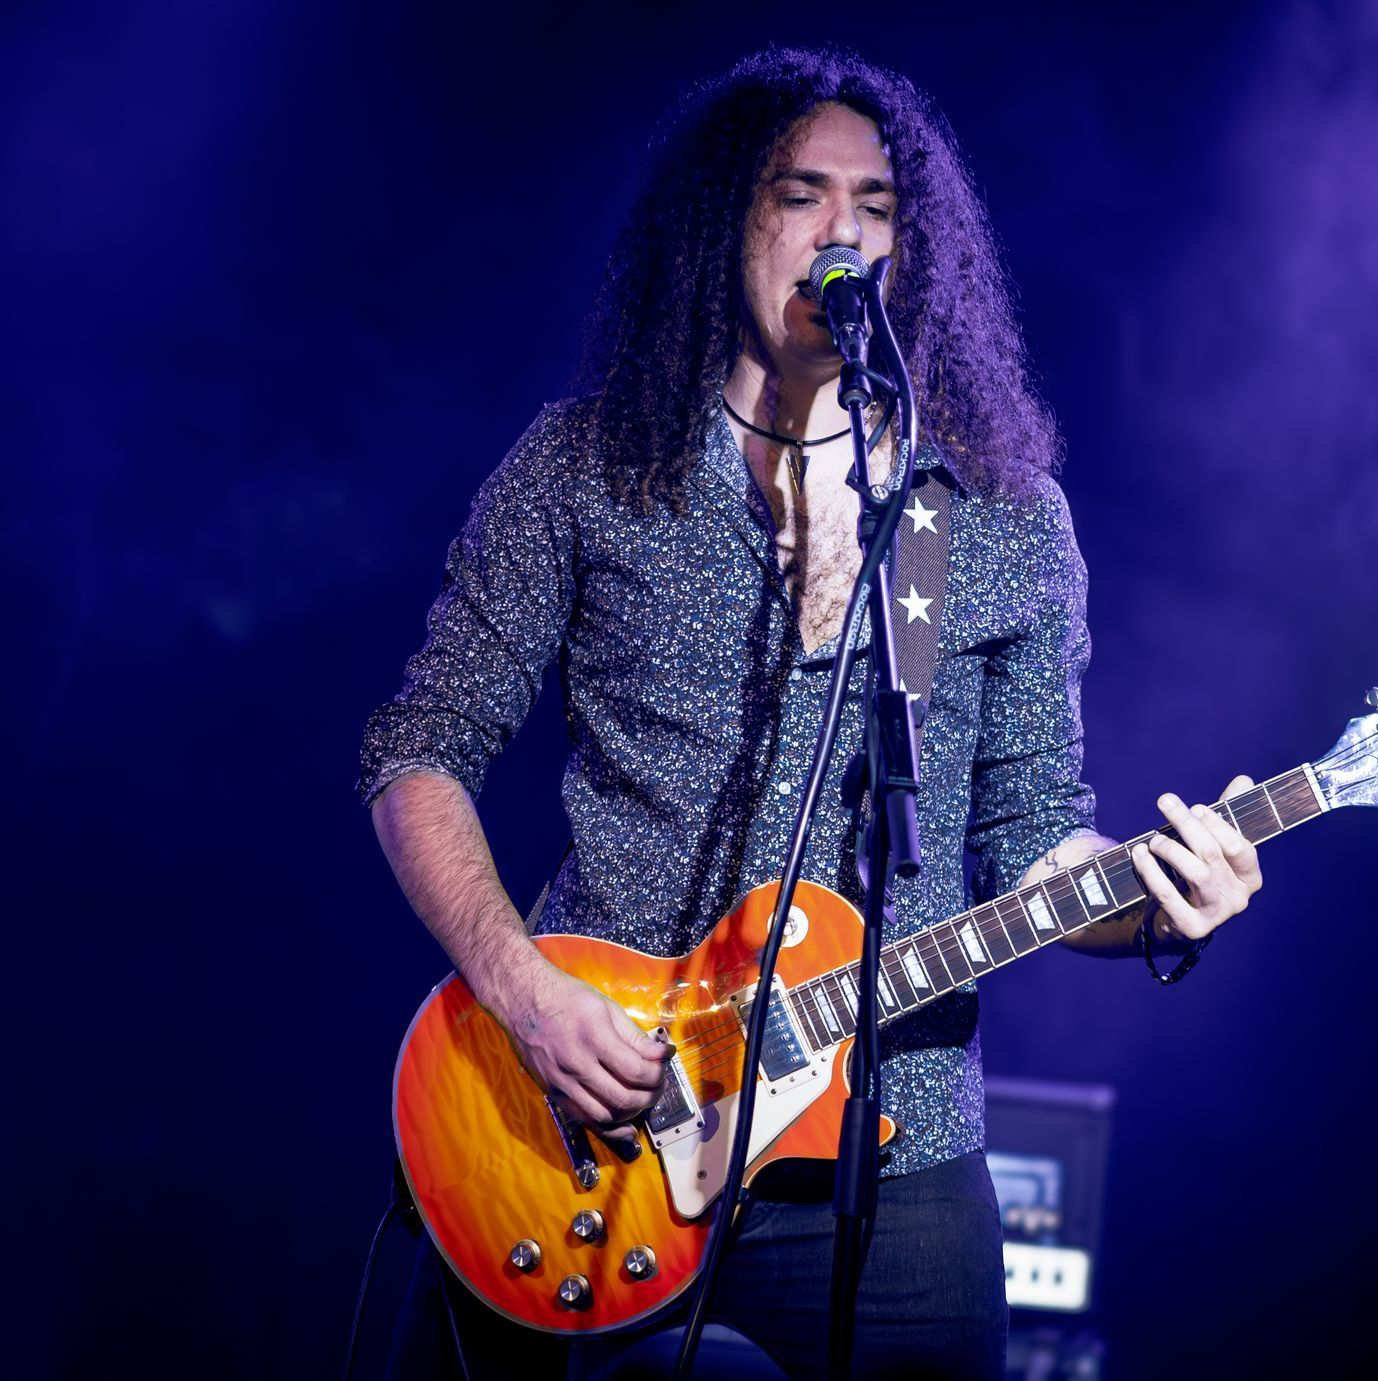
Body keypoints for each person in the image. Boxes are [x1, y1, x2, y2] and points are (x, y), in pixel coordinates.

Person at [358, 47, 1263, 1380]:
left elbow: (1034, 839)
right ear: (723, 220)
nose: (844, 230)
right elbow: (415, 750)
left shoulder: (991, 516)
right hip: (586, 1130)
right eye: (800, 192)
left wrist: (1157, 904)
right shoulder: (587, 466)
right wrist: (522, 989)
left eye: (879, 204)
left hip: (898, 1157)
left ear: (916, 249)